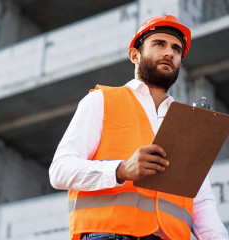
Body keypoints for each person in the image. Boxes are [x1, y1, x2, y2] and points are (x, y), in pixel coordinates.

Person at [49, 15, 229, 240]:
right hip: (109, 236)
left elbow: (202, 202)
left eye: (176, 49)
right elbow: (59, 171)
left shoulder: (186, 122)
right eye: (159, 44)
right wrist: (121, 169)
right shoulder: (102, 100)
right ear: (135, 55)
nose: (169, 53)